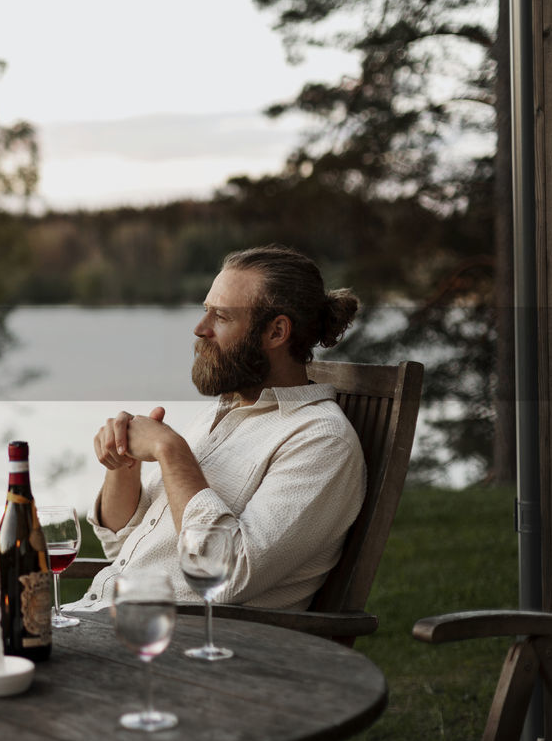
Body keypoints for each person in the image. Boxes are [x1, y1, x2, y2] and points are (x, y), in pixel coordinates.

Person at [66, 245, 365, 612]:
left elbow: (224, 575)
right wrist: (123, 464)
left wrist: (171, 452)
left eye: (221, 316)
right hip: (100, 619)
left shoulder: (320, 440)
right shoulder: (217, 416)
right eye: (205, 311)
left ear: (276, 332)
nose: (200, 328)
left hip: (177, 644)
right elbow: (123, 547)